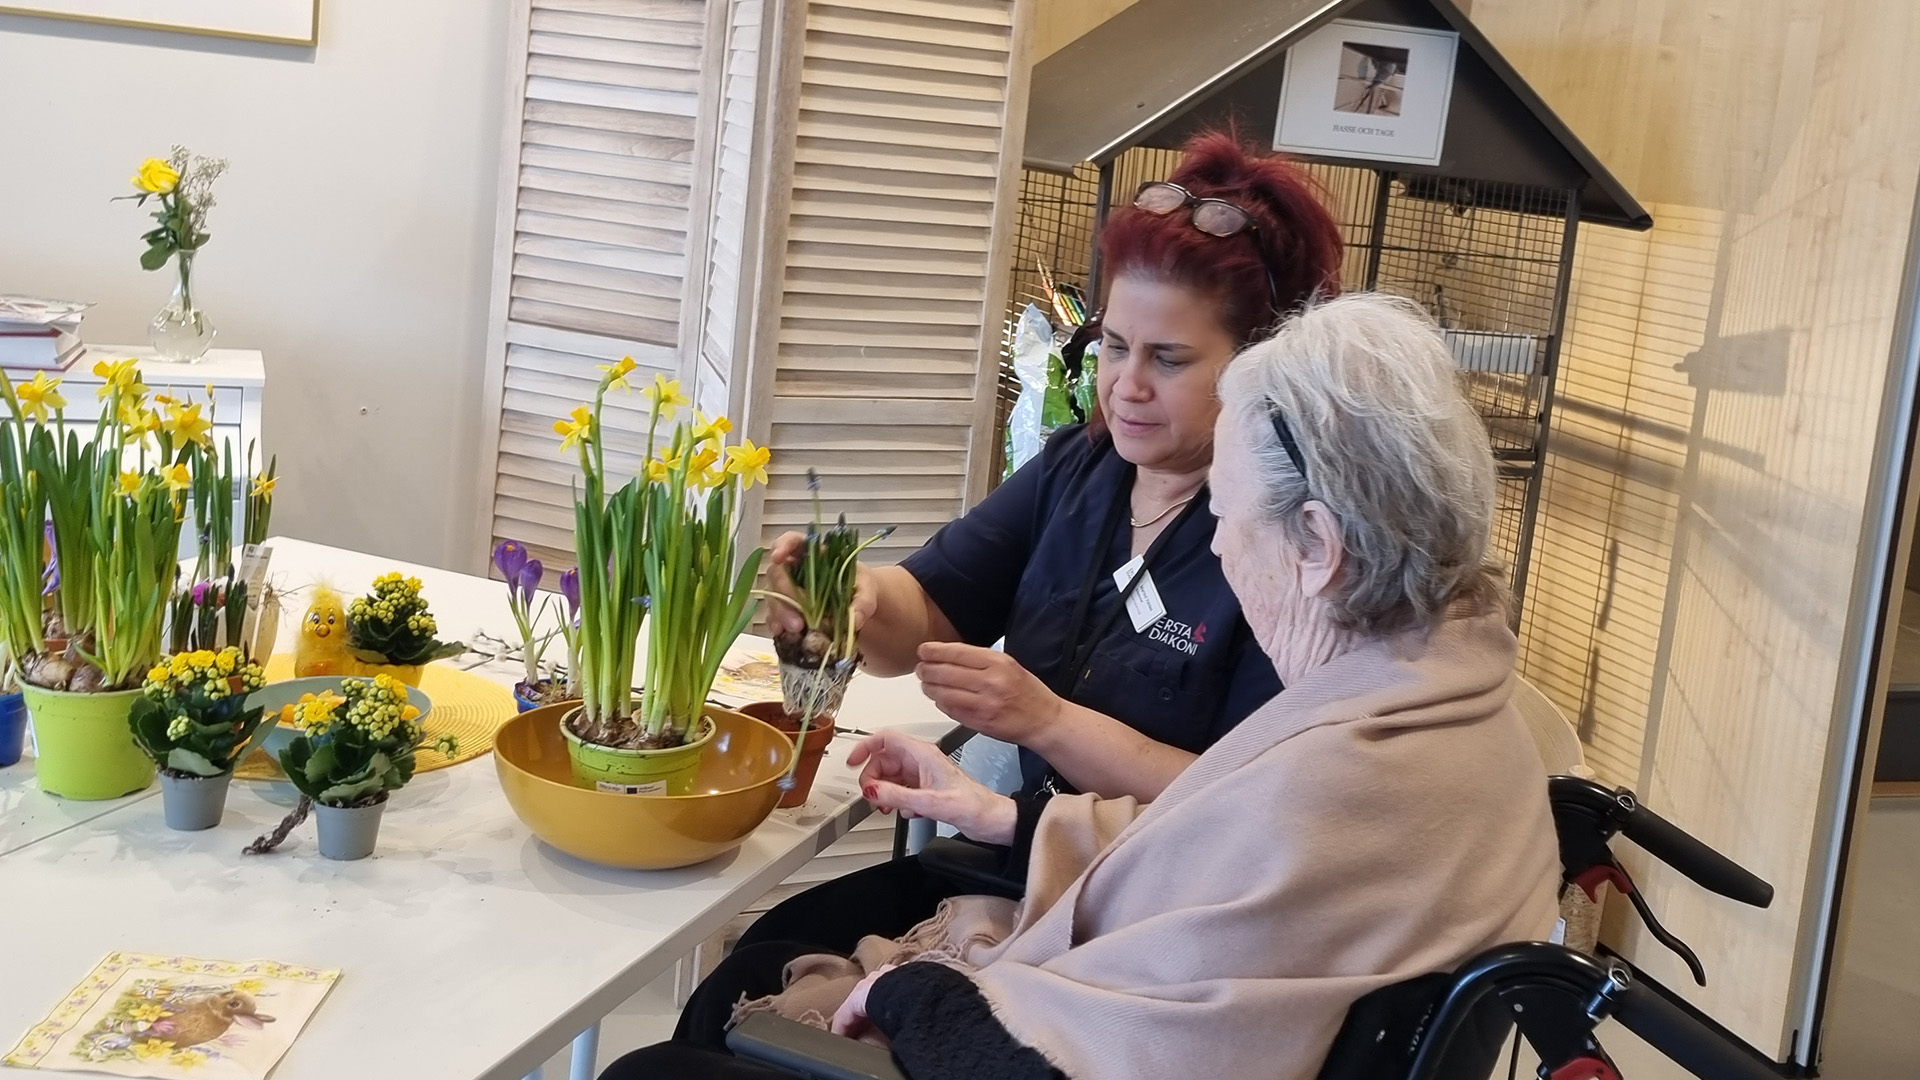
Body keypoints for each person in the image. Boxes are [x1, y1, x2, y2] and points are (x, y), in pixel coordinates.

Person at [601, 293, 1564, 1080]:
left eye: (1227, 517)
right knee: (777, 948)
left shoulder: (1338, 773)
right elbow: (1217, 844)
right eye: (1110, 344)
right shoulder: (1444, 699)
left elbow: (1083, 1056)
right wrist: (1010, 816)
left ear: (1316, 545)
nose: (1221, 544)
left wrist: (906, 994)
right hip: (1063, 881)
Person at [731, 130, 1347, 959]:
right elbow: (929, 615)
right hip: (1020, 859)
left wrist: (1048, 721)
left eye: (1168, 359)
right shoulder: (1081, 470)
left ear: (1259, 369)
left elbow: (1236, 804)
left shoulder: (1282, 548)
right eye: (1116, 347)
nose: (1126, 386)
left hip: (1156, 914)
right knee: (762, 956)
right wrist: (860, 600)